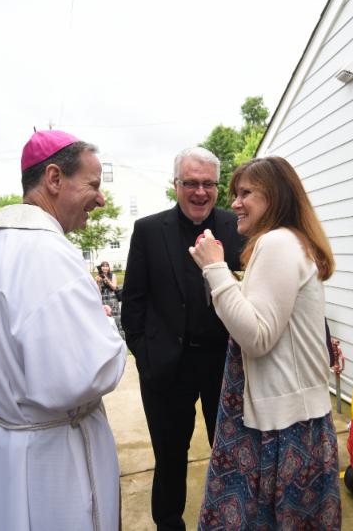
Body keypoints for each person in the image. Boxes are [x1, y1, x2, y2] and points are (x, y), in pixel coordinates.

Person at [0, 130, 127, 531]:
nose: (100, 198)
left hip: (7, 441)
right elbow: (85, 374)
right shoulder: (45, 253)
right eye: (94, 184)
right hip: (53, 456)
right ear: (54, 178)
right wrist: (107, 328)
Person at [188, 156, 341, 529]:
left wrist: (214, 268)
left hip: (283, 427)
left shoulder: (277, 242)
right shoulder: (287, 242)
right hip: (295, 419)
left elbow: (256, 336)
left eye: (246, 193)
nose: (235, 203)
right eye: (235, 194)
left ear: (274, 197)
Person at [121, 146, 244, 530]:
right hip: (167, 367)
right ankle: (169, 522)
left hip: (224, 364)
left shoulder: (237, 226)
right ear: (175, 185)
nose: (200, 192)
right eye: (191, 183)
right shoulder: (148, 230)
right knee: (170, 455)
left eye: (208, 183)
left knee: (231, 453)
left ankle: (232, 520)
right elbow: (133, 302)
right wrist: (144, 353)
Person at [96, 261, 122, 334]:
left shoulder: (113, 275)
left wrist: (107, 279)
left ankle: (119, 335)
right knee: (106, 317)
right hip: (104, 299)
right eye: (103, 266)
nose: (105, 268)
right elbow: (98, 291)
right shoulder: (98, 276)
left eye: (106, 266)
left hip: (112, 298)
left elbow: (114, 287)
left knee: (116, 316)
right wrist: (98, 282)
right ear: (101, 268)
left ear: (109, 267)